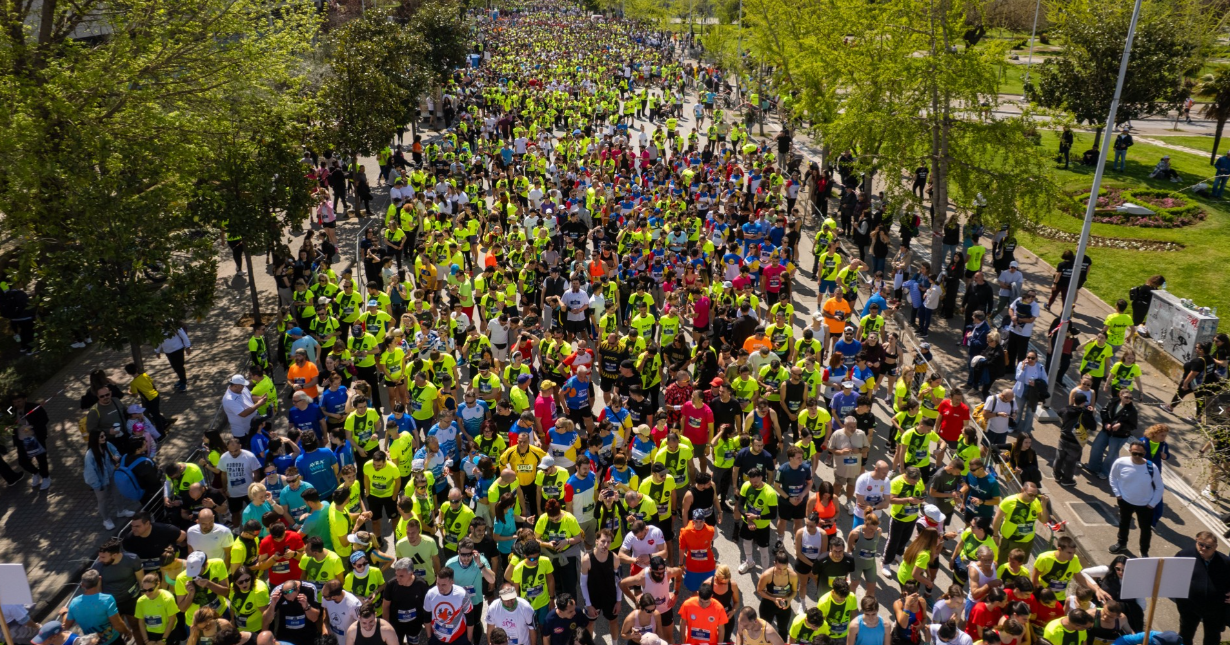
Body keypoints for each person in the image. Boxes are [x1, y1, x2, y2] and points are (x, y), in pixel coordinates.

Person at [1108, 440, 1163, 557]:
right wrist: (1118, 494)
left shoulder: (1151, 467)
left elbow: (1159, 487)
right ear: (1129, 451)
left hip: (1145, 505)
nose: (1137, 456)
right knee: (1124, 523)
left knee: (1145, 529)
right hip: (1125, 501)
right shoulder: (1120, 463)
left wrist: (1152, 504)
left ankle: (1144, 551)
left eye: (1141, 454)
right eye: (1135, 453)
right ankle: (1121, 543)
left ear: (1145, 453)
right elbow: (1113, 478)